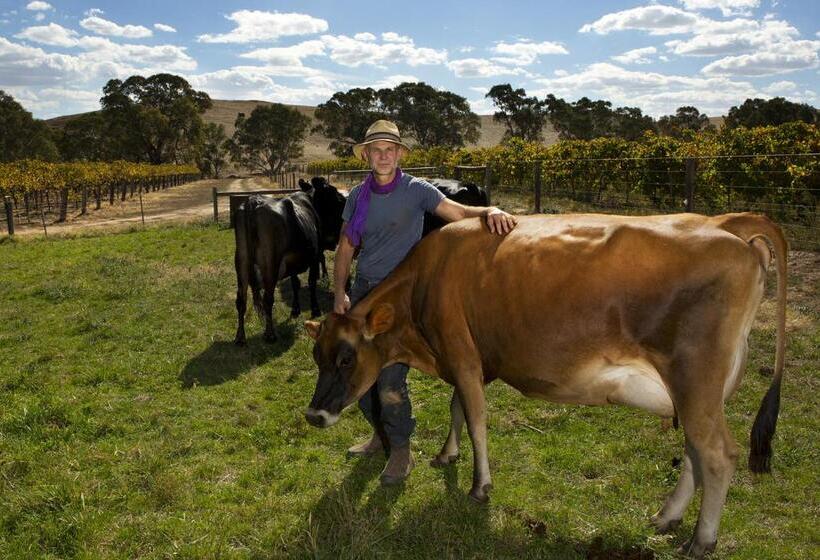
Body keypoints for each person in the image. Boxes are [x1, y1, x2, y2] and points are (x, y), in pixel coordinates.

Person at [333, 119, 517, 486]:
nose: (383, 156)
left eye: (390, 150)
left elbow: (459, 213)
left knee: (389, 377)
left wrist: (489, 210)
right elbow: (346, 247)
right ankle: (379, 435)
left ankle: (400, 449)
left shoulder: (417, 190)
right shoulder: (358, 197)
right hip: (367, 290)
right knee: (358, 371)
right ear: (367, 155)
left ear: (399, 155)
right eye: (376, 150)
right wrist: (340, 291)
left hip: (403, 298)